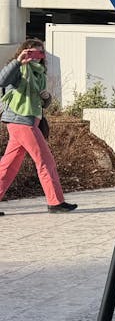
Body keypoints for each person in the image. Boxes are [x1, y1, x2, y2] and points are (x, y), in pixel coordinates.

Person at [0, 39, 77, 216]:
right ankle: (55, 202)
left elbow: (43, 103)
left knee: (8, 165)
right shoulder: (18, 70)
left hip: (28, 121)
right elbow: (2, 80)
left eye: (40, 53)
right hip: (21, 121)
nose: (36, 57)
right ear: (23, 52)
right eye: (32, 52)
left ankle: (55, 202)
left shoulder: (39, 74)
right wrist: (19, 60)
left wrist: (46, 97)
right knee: (45, 161)